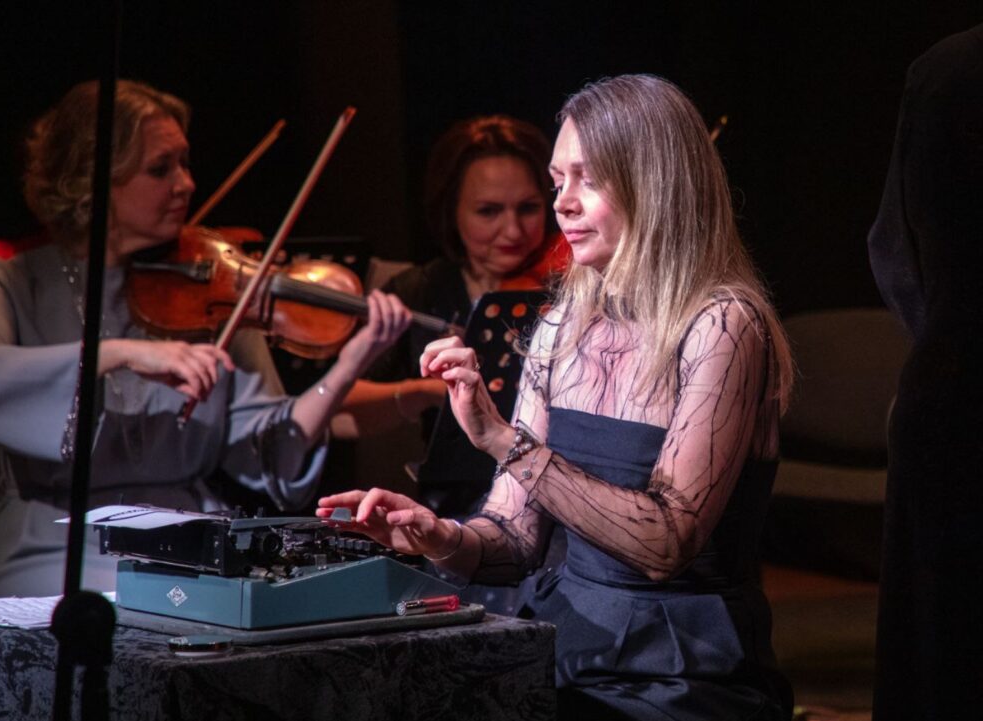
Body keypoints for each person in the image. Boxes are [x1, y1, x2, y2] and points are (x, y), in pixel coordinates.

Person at [318, 74, 794, 719]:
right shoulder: (559, 327)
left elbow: (666, 542)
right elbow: (513, 540)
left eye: (588, 180)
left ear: (654, 186)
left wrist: (503, 442)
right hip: (563, 644)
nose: (562, 204)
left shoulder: (724, 324)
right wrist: (437, 536)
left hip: (679, 667)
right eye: (557, 181)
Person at [0, 79, 411, 598]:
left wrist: (349, 365)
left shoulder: (207, 288)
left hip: (189, 540)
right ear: (92, 180)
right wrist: (115, 354)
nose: (187, 184)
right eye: (161, 169)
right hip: (53, 544)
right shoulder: (12, 285)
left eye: (185, 163)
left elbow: (267, 450)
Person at [867, 24, 983, 721]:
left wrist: (946, 337)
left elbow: (893, 249)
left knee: (946, 661)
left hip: (956, 391)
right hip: (955, 397)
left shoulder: (947, 69)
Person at [335, 115, 568, 451]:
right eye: (488, 211)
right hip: (455, 481)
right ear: (452, 211)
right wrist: (423, 391)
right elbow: (338, 408)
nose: (514, 230)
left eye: (528, 208)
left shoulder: (571, 283)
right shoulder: (421, 290)